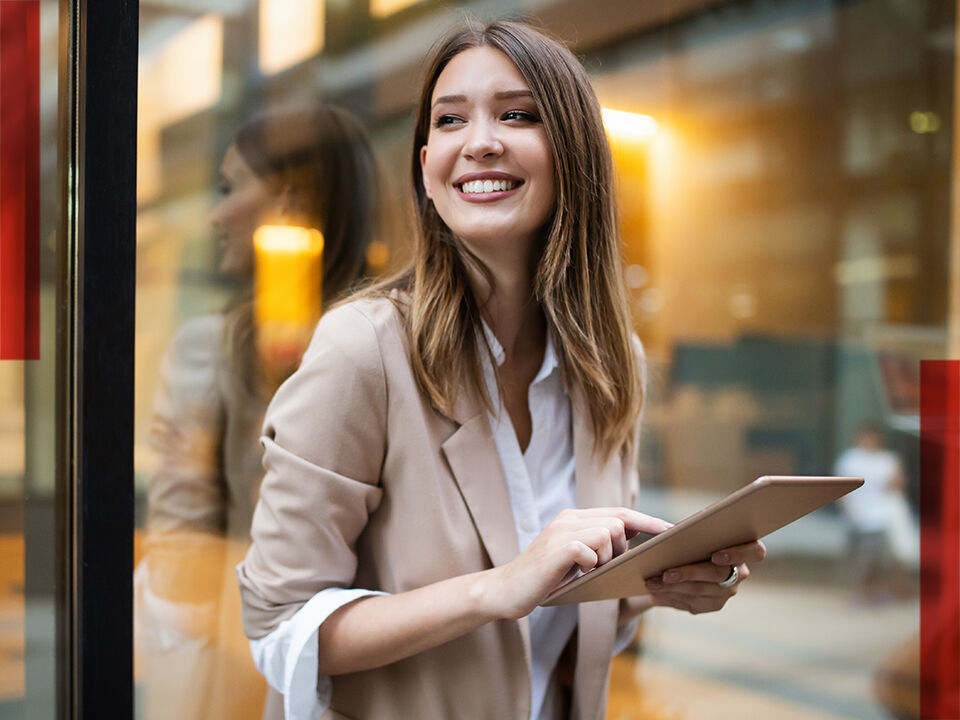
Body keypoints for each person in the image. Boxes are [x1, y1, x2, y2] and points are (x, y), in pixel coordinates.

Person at [236, 20, 766, 720]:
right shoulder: (364, 349)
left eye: (516, 115)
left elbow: (560, 627)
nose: (479, 140)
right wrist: (499, 586)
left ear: (573, 155)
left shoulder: (611, 365)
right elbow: (279, 628)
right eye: (450, 119)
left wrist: (656, 584)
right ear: (427, 166)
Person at [137, 102, 381, 720]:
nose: (217, 214)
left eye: (230, 188)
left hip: (247, 671)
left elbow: (181, 566)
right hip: (381, 675)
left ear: (289, 200)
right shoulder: (403, 344)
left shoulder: (213, 351)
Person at [834, 421, 915, 604]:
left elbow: (898, 485)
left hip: (880, 517)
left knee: (879, 560)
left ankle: (877, 592)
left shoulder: (888, 460)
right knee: (861, 560)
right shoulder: (850, 459)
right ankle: (862, 592)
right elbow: (841, 489)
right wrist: (849, 512)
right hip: (857, 518)